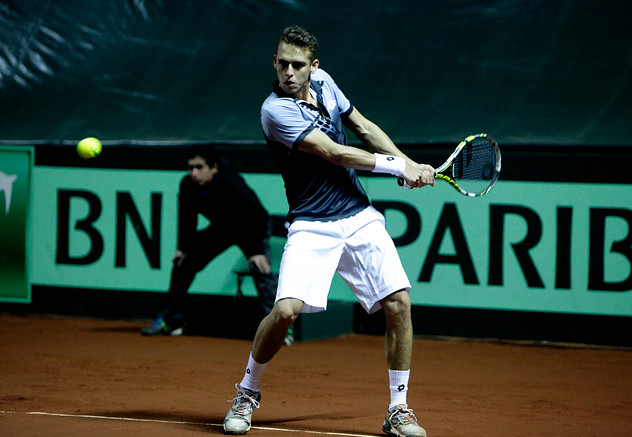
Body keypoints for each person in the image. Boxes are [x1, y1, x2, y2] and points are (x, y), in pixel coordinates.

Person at [222, 26, 435, 436]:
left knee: (400, 304)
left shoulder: (325, 83)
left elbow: (364, 128)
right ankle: (247, 391)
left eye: (297, 65)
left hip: (357, 215)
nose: (288, 72)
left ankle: (398, 408)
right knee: (285, 312)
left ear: (313, 67)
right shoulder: (274, 111)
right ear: (274, 62)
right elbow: (334, 153)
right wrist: (396, 168)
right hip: (311, 223)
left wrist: (407, 163)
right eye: (282, 63)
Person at [141, 145, 292, 344]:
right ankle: (170, 320)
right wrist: (182, 248)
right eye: (190, 167)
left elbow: (258, 215)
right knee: (183, 264)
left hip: (249, 228)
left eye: (199, 167)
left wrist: (255, 251)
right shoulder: (188, 184)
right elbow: (186, 218)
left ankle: (278, 329)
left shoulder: (231, 182)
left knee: (261, 269)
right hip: (221, 229)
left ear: (213, 167)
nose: (193, 173)